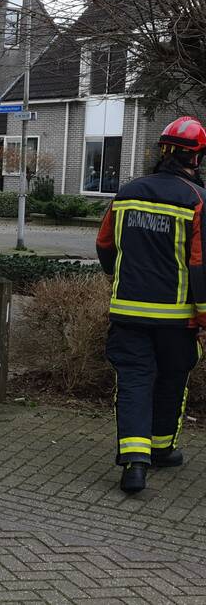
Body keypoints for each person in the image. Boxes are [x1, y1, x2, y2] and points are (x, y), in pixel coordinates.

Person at [96, 116, 206, 494]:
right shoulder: (198, 200)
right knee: (172, 379)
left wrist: (121, 276)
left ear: (162, 151)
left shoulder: (127, 193)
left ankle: (134, 464)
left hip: (128, 312)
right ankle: (161, 449)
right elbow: (200, 264)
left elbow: (105, 245)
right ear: (196, 158)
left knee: (133, 381)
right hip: (177, 319)